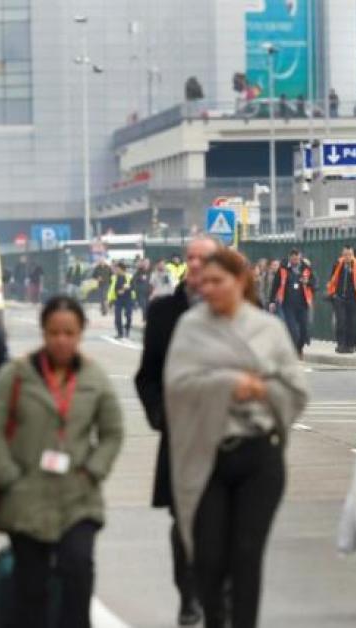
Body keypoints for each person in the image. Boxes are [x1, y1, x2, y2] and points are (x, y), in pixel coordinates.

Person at [165, 249, 308, 628]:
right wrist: (229, 384)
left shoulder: (268, 328)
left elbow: (295, 390)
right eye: (204, 282)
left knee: (247, 554)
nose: (208, 289)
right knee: (209, 556)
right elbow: (177, 386)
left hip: (259, 453)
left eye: (218, 281)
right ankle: (215, 619)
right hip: (208, 452)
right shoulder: (191, 329)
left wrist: (262, 392)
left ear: (240, 282)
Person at [0, 296, 123, 628]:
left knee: (78, 570)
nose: (61, 340)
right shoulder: (16, 376)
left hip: (78, 498)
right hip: (26, 500)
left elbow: (112, 431)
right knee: (31, 589)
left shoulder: (94, 378)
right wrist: (8, 475)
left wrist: (94, 470)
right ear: (44, 332)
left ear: (80, 333)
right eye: (54, 332)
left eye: (69, 332)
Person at [135, 236, 220, 626]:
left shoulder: (235, 309)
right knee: (183, 522)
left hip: (226, 436)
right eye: (192, 258)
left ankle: (223, 594)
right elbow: (147, 375)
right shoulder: (165, 311)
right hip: (181, 434)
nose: (197, 264)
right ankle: (189, 595)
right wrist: (159, 413)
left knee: (225, 522)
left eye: (205, 258)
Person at [270, 249, 317, 356]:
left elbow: (314, 284)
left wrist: (307, 282)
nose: (295, 261)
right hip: (288, 304)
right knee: (293, 330)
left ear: (300, 257)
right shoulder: (283, 269)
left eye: (297, 258)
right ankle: (295, 350)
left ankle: (299, 347)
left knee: (304, 328)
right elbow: (275, 285)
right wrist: (272, 301)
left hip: (302, 303)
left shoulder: (306, 268)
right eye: (293, 259)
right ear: (290, 258)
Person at [327, 246, 356, 354]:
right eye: (345, 255)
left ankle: (350, 345)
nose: (347, 257)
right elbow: (332, 279)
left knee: (351, 322)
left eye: (349, 255)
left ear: (352, 255)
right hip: (339, 297)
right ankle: (341, 344)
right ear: (342, 255)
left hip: (353, 298)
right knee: (341, 321)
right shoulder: (337, 265)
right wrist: (333, 295)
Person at [107, 262, 135, 339]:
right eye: (115, 269)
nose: (116, 270)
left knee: (128, 316)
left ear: (122, 269)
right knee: (117, 317)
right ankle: (120, 333)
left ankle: (127, 330)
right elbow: (111, 289)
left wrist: (127, 288)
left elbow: (133, 287)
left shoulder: (129, 276)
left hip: (128, 298)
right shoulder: (113, 277)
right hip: (118, 299)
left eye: (117, 269)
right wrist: (110, 300)